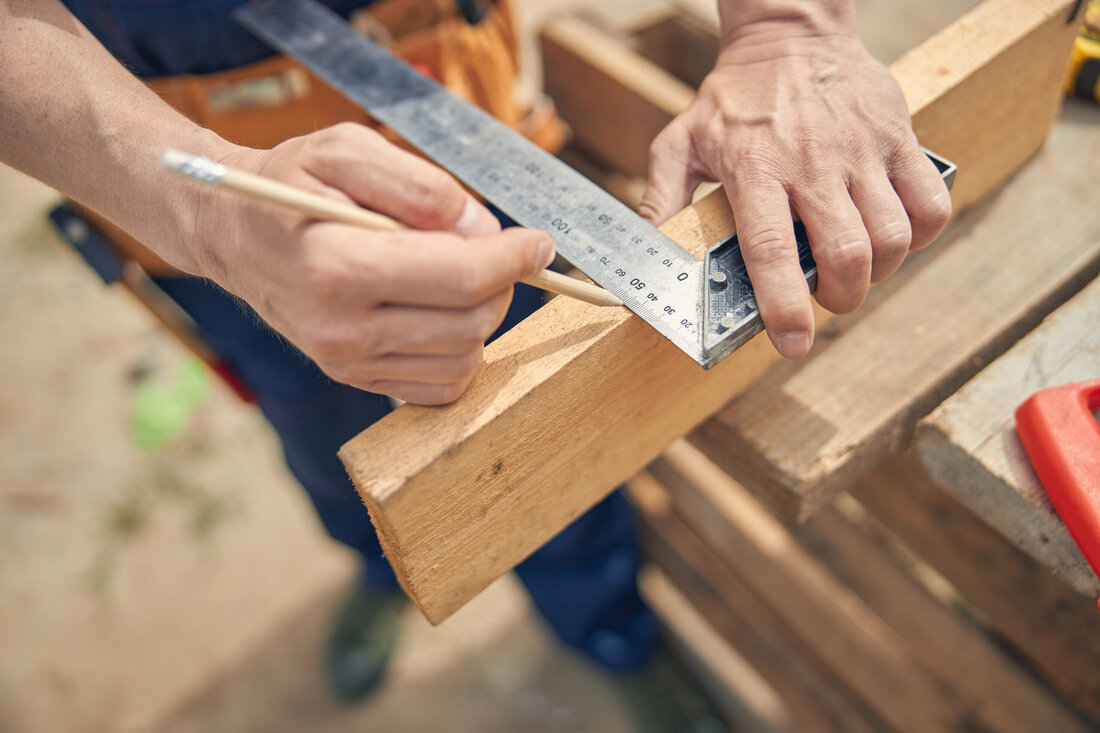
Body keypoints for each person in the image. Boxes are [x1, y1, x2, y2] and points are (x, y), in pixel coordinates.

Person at [0, 0, 950, 729]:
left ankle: (607, 629)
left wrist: (786, 26)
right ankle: (380, 573)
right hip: (176, 164)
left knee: (542, 451)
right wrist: (204, 215)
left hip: (460, 137)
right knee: (328, 444)